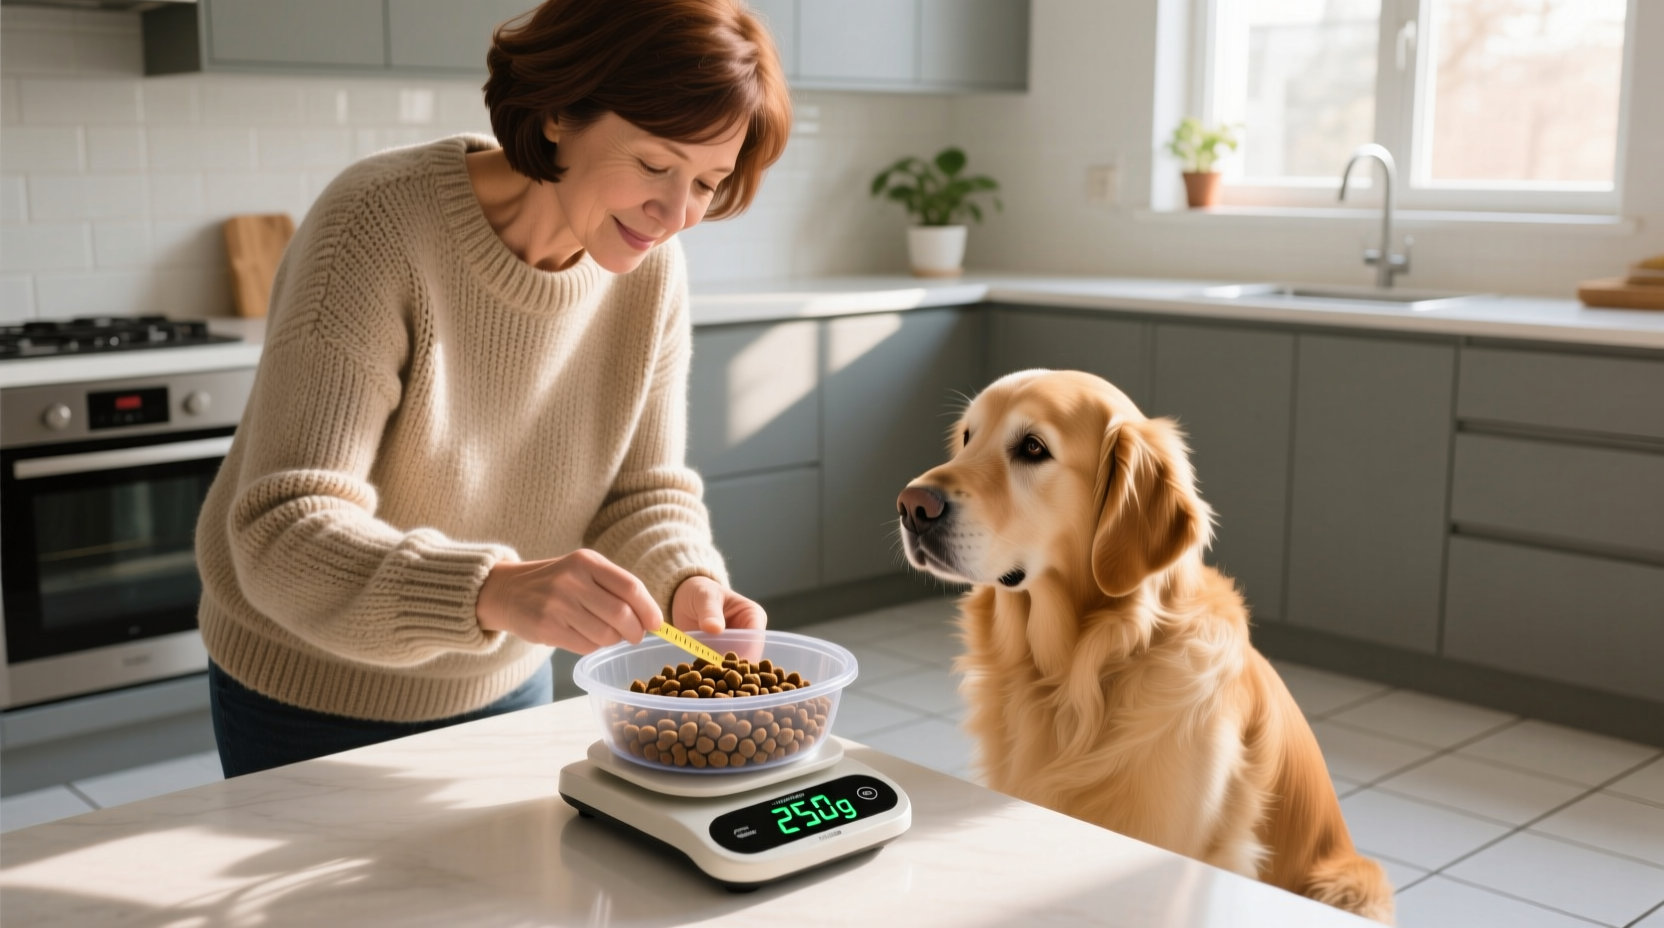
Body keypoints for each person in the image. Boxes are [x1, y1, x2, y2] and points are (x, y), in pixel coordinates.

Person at [196, 0, 792, 777]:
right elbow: (280, 532)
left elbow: (640, 493)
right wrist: (491, 591)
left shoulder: (650, 268)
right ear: (556, 113)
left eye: (708, 183)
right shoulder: (377, 224)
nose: (677, 213)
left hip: (505, 681)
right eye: (655, 165)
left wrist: (687, 582)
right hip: (308, 693)